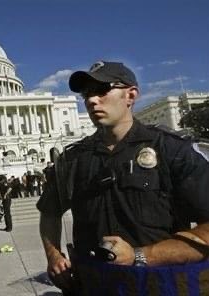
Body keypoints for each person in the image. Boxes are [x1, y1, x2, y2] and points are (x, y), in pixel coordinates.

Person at [37, 61, 209, 294]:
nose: (91, 100)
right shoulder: (72, 159)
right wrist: (53, 255)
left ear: (131, 95)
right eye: (86, 94)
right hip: (94, 284)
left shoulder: (171, 150)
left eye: (102, 90)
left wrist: (140, 256)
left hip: (157, 284)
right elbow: (49, 211)